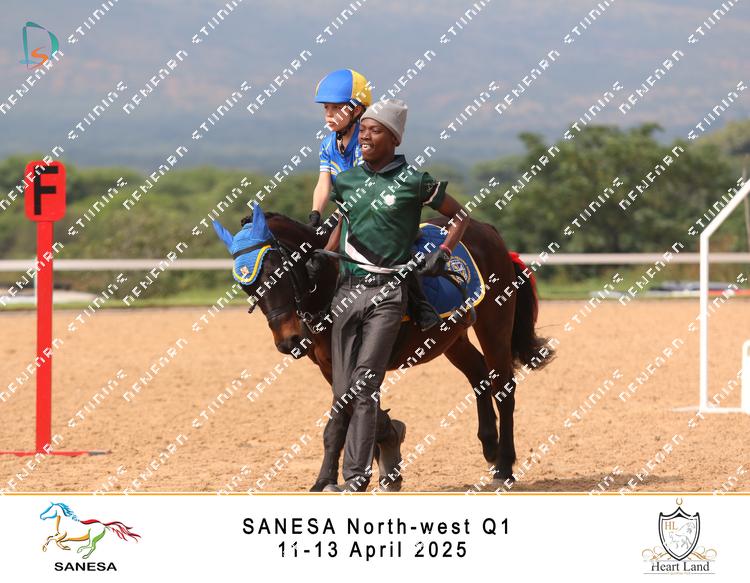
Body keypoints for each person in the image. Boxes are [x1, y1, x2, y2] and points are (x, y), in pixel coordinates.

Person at [319, 99, 469, 492]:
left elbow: (460, 217)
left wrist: (444, 251)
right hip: (346, 293)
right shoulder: (347, 181)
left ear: (395, 138)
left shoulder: (415, 181)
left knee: (365, 385)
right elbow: (344, 224)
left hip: (388, 295)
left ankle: (355, 479)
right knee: (342, 393)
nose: (365, 136)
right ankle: (389, 438)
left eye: (375, 130)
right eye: (364, 129)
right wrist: (324, 254)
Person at [308, 68, 371, 231]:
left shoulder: (365, 143)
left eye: (336, 107)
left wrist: (333, 220)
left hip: (370, 215)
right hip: (344, 217)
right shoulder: (327, 145)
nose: (329, 114)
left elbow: (357, 191)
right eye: (326, 107)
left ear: (356, 110)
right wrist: (315, 214)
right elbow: (323, 184)